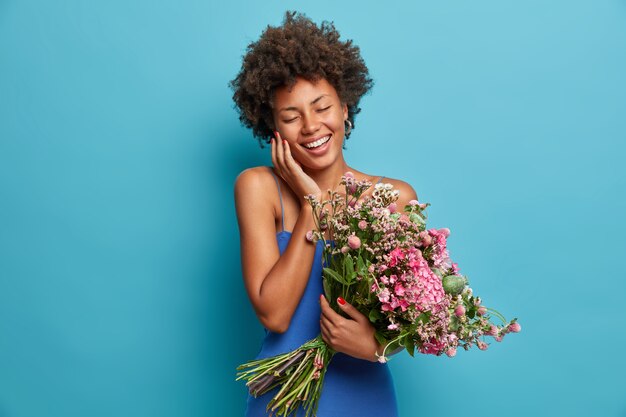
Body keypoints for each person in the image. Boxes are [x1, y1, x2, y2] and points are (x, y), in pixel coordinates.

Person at [230, 11, 417, 417]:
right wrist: (313, 204)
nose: (311, 127)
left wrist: (375, 345)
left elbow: (414, 313)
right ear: (272, 128)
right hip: (282, 398)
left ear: (345, 107)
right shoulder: (258, 188)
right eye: (291, 117)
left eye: (322, 107)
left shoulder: (393, 198)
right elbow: (275, 314)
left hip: (364, 395)